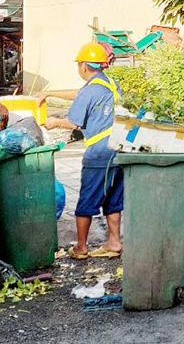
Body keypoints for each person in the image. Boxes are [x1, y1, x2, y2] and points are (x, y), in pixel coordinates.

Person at [40, 42, 123, 260]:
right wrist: (48, 94)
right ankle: (114, 243)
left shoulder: (89, 90)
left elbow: (73, 122)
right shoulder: (109, 84)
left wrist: (53, 122)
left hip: (99, 152)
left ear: (84, 66)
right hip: (119, 148)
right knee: (113, 198)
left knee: (87, 199)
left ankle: (81, 247)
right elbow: (80, 94)